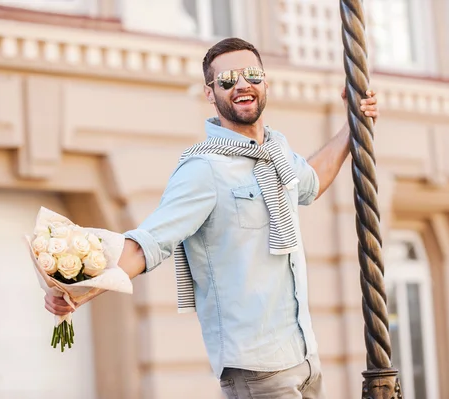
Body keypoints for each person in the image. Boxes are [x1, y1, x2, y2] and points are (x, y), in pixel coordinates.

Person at [44, 37, 379, 398]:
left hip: (304, 357)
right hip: (257, 371)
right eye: (227, 80)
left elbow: (312, 181)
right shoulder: (203, 169)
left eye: (251, 75)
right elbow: (148, 244)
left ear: (266, 82)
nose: (241, 85)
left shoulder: (276, 152)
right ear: (210, 93)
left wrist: (353, 125)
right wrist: (78, 289)